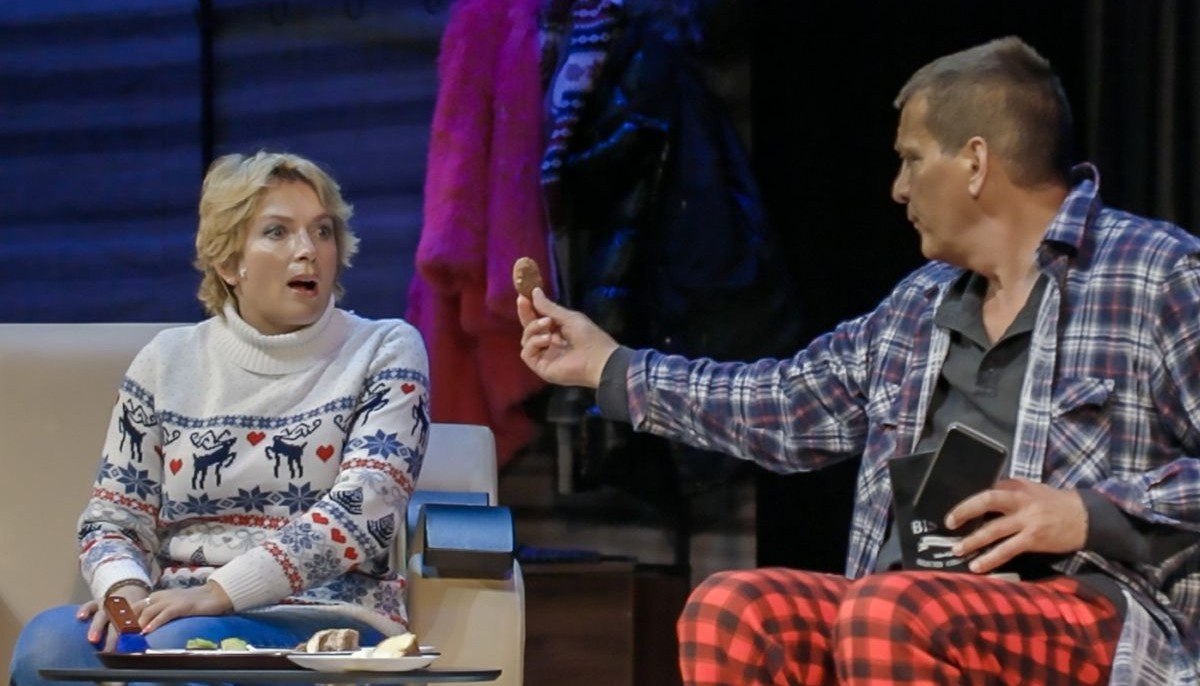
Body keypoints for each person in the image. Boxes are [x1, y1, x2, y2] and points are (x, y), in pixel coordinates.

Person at [518, 36, 1200, 685]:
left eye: (912, 159)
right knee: (735, 610)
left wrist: (1091, 512)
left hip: (1085, 609)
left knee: (890, 610)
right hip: (909, 609)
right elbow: (785, 405)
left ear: (975, 162)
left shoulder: (1155, 275)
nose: (898, 189)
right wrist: (608, 367)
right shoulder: (918, 306)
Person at [10, 151, 430, 685]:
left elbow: (364, 510)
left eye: (322, 231)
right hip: (176, 608)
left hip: (325, 611)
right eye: (278, 232)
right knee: (46, 646)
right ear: (230, 263)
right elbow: (112, 519)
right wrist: (125, 592)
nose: (308, 250)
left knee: (178, 651)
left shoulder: (385, 349)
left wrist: (219, 592)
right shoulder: (166, 361)